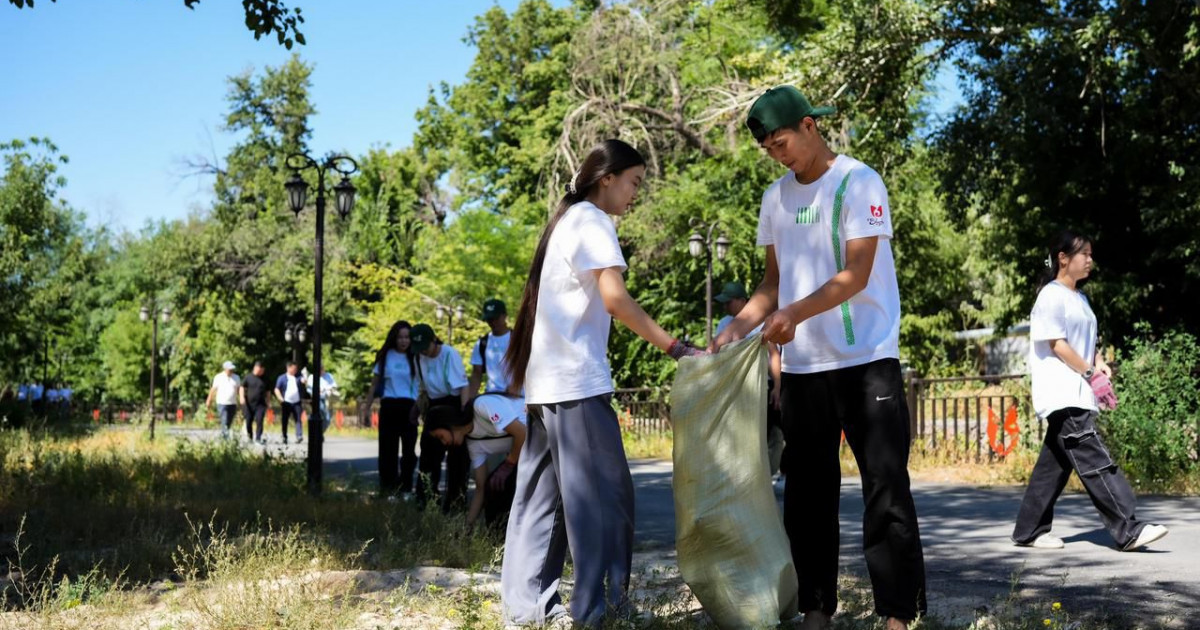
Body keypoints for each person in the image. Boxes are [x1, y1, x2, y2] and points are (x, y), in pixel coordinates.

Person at [713, 86, 926, 629]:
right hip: (805, 368)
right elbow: (771, 284)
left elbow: (855, 274)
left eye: (781, 142)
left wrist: (793, 315)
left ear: (810, 126)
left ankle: (897, 615)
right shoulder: (774, 198)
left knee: (885, 484)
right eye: (767, 149)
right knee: (807, 495)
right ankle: (815, 610)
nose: (777, 154)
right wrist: (739, 325)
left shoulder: (860, 182)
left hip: (867, 358)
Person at [500, 139, 702, 629]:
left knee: (541, 502)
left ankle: (526, 613)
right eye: (634, 182)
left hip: (548, 386)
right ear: (607, 177)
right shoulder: (592, 221)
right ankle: (601, 611)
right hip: (576, 384)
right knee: (605, 501)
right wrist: (676, 347)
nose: (636, 194)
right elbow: (615, 300)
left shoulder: (566, 222)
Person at [1012, 231, 1168, 552]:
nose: (1090, 260)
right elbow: (1057, 344)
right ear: (1063, 259)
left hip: (1078, 390)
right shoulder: (1050, 296)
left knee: (1054, 464)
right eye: (1084, 254)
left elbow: (1088, 342)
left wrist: (1099, 365)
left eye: (1091, 254)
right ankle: (1128, 529)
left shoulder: (1080, 299)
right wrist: (1088, 372)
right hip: (1062, 392)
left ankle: (1029, 530)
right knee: (1095, 459)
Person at [424, 392, 528, 530]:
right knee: (493, 487)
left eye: (441, 436)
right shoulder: (473, 443)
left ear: (448, 423)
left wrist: (508, 465)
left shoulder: (481, 406)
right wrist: (467, 527)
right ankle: (497, 542)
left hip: (545, 435)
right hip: (528, 452)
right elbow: (480, 488)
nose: (444, 442)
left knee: (503, 485)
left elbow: (522, 433)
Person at [714, 281, 786, 477]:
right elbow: (717, 355)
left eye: (729, 302)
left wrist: (777, 386)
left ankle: (764, 474)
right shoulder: (724, 324)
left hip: (759, 385)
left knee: (765, 433)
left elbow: (774, 355)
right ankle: (738, 473)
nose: (725, 306)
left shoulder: (759, 324)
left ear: (742, 301)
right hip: (733, 386)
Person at [411, 323, 472, 511]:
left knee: (457, 459)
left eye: (425, 348)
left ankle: (455, 502)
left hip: (454, 404)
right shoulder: (418, 357)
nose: (423, 353)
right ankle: (427, 498)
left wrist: (464, 414)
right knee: (428, 456)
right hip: (434, 406)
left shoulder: (449, 354)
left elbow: (463, 385)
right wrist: (416, 409)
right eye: (419, 349)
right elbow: (422, 389)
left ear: (433, 341)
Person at [366, 321, 419, 496]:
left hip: (409, 407)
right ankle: (388, 488)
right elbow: (374, 385)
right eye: (400, 337)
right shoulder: (385, 357)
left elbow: (422, 386)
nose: (404, 341)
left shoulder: (416, 357)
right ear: (394, 338)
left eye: (407, 337)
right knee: (388, 450)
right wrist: (366, 408)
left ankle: (405, 488)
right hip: (389, 405)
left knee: (409, 451)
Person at [467, 298, 520, 397]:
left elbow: (530, 367)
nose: (493, 322)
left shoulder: (517, 339)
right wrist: (469, 401)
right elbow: (476, 374)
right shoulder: (482, 343)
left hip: (518, 396)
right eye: (489, 319)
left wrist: (517, 385)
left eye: (496, 318)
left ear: (504, 316)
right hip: (492, 395)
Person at [205, 361, 241, 439]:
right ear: (225, 369)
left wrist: (241, 399)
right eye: (229, 369)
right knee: (224, 419)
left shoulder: (236, 377)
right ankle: (225, 437)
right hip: (222, 403)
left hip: (232, 403)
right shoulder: (218, 377)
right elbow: (213, 390)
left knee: (229, 421)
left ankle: (223, 434)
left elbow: (238, 390)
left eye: (232, 369)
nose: (231, 371)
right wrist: (209, 400)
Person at [273, 362, 305, 444]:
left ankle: (299, 435)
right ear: (289, 368)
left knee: (298, 419)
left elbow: (303, 381)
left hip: (297, 402)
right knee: (285, 420)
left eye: (296, 369)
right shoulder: (282, 378)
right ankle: (284, 436)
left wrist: (304, 379)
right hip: (286, 402)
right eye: (294, 368)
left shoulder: (298, 377)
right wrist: (280, 399)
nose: (295, 370)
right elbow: (277, 389)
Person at [240, 361, 270, 444]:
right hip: (248, 404)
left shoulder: (265, 379)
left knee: (259, 420)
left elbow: (268, 391)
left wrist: (268, 401)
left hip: (260, 404)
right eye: (258, 370)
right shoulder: (248, 377)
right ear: (255, 368)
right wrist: (242, 397)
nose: (260, 372)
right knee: (248, 421)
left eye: (262, 371)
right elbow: (242, 387)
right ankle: (250, 437)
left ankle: (258, 438)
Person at [306, 366, 338, 433]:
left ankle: (320, 432)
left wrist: (328, 389)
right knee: (322, 415)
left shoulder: (328, 376)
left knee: (328, 418)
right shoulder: (312, 377)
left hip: (327, 398)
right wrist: (316, 391)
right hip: (317, 399)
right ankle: (318, 433)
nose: (322, 372)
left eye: (322, 370)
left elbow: (334, 385)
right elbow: (308, 389)